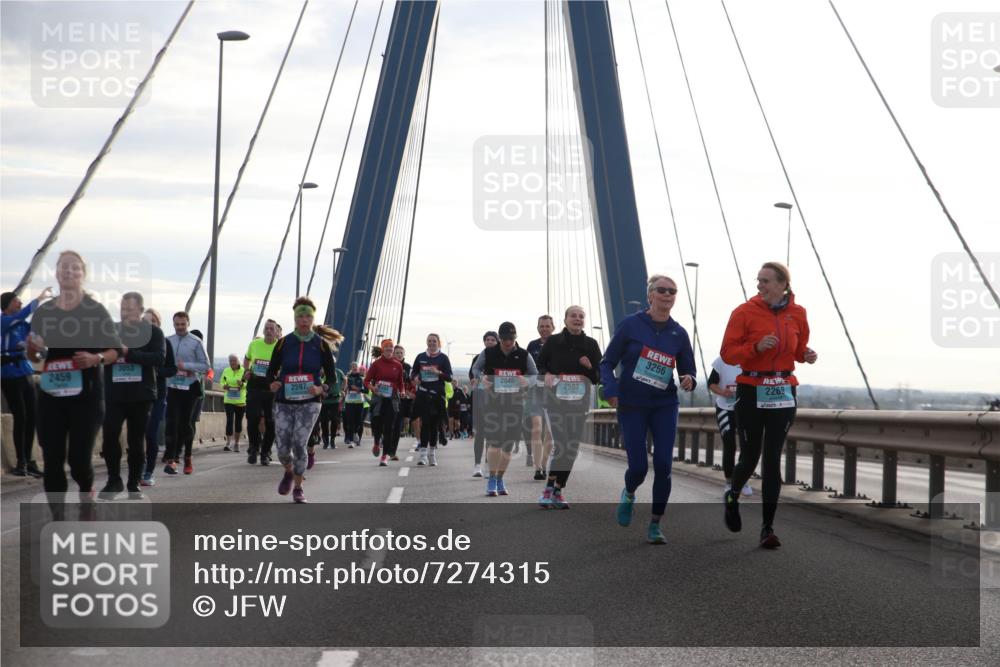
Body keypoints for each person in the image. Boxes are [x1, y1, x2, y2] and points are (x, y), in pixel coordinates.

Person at [721, 262, 817, 548]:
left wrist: (807, 354)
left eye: (765, 281)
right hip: (751, 389)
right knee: (750, 454)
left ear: (782, 284)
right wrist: (755, 348)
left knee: (773, 458)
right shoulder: (744, 312)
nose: (760, 285)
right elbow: (727, 353)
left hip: (783, 390)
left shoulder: (798, 313)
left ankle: (767, 529)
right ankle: (732, 495)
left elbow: (798, 350)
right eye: (758, 280)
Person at [602, 274, 696, 545]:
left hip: (664, 404)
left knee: (664, 465)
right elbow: (607, 362)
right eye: (662, 290)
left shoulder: (679, 333)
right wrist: (610, 389)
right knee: (639, 467)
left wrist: (689, 377)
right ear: (650, 295)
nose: (667, 294)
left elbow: (687, 368)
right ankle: (629, 493)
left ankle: (655, 524)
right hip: (632, 404)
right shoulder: (631, 325)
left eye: (673, 291)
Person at [25, 250, 121, 500]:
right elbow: (35, 357)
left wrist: (95, 358)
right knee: (52, 458)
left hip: (86, 396)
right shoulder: (45, 312)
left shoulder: (95, 310)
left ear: (83, 275)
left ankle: (86, 488)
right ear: (56, 273)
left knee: (78, 460)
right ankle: (58, 518)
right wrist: (32, 351)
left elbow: (114, 351)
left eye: (75, 267)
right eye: (63, 267)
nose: (68, 271)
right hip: (51, 394)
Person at [265, 297, 340, 504]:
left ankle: (298, 488)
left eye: (308, 316)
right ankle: (289, 471)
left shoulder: (321, 345)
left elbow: (332, 379)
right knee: (281, 450)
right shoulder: (283, 343)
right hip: (284, 401)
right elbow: (270, 372)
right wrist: (273, 383)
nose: (304, 320)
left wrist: (320, 388)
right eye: (300, 316)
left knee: (299, 443)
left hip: (310, 402)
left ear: (312, 318)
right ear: (295, 318)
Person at [101, 292, 164, 497]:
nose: (125, 312)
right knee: (110, 435)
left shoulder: (153, 332)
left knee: (136, 441)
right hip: (115, 393)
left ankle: (133, 482)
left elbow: (159, 358)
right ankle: (113, 480)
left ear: (139, 310)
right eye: (122, 308)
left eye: (129, 308)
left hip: (140, 394)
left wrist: (130, 353)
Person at [537, 306, 601, 509]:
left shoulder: (591, 345)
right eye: (573, 315)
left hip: (578, 404)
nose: (577, 319)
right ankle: (548, 489)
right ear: (565, 320)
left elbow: (598, 376)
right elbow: (539, 365)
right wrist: (546, 373)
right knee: (562, 444)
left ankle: (558, 489)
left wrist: (590, 368)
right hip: (555, 403)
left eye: (581, 316)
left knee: (571, 448)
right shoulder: (553, 342)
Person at [472, 322, 538, 497]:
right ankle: (491, 479)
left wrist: (527, 381)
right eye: (505, 339)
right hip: (493, 404)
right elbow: (476, 369)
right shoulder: (488, 353)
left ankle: (500, 478)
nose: (508, 342)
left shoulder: (524, 355)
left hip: (516, 405)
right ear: (500, 338)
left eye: (512, 338)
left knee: (508, 447)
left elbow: (534, 374)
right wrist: (481, 379)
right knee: (495, 443)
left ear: (515, 338)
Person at [1, 286, 52, 476]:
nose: (20, 303)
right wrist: (39, 298)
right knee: (20, 417)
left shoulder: (22, 325)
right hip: (8, 374)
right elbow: (24, 313)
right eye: (16, 301)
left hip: (25, 372)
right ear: (7, 306)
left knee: (32, 416)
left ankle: (30, 461)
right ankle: (21, 462)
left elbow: (37, 334)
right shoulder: (3, 321)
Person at [162, 312, 209, 475]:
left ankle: (187, 456)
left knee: (185, 423)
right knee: (171, 422)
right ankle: (171, 459)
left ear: (188, 323)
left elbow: (205, 365)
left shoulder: (196, 342)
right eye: (177, 325)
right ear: (173, 324)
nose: (180, 328)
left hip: (189, 388)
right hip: (172, 386)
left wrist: (186, 366)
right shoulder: (168, 340)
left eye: (183, 324)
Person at [140, 308, 175, 486]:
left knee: (151, 434)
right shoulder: (134, 343)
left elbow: (172, 369)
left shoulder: (165, 344)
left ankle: (148, 472)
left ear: (158, 324)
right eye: (145, 322)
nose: (149, 325)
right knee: (137, 435)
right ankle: (138, 468)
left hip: (157, 395)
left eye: (152, 322)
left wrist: (153, 370)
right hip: (137, 396)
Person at [708, 356, 751, 497]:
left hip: (745, 409)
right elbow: (711, 383)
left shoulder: (751, 357)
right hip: (724, 407)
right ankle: (729, 482)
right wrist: (723, 392)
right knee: (729, 444)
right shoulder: (722, 360)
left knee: (747, 446)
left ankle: (742, 480)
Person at [411, 333, 453, 467]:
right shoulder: (421, 357)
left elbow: (449, 377)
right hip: (423, 394)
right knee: (425, 424)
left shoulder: (443, 358)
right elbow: (414, 373)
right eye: (429, 341)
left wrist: (438, 373)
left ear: (439, 343)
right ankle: (423, 454)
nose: (431, 343)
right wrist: (415, 378)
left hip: (437, 396)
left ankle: (432, 453)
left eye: (434, 341)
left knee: (434, 425)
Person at [243, 320, 279, 465]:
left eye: (271, 329)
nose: (269, 331)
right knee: (253, 418)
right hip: (254, 385)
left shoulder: (280, 346)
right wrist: (246, 371)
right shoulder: (254, 344)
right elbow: (246, 359)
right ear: (263, 331)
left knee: (271, 422)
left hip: (271, 388)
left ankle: (265, 453)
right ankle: (253, 448)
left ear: (276, 332)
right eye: (266, 328)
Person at [365, 338, 405, 466]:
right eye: (386, 347)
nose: (389, 349)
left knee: (389, 428)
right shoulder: (376, 364)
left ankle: (384, 456)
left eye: (391, 347)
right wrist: (373, 388)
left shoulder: (398, 365)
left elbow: (400, 382)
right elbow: (366, 381)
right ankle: (377, 442)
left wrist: (402, 391)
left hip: (392, 399)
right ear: (382, 349)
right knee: (377, 425)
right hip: (378, 398)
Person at [526, 314, 555, 478]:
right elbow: (527, 368)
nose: (544, 329)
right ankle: (537, 468)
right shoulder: (532, 345)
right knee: (536, 428)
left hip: (553, 393)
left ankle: (544, 463)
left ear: (553, 327)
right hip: (535, 391)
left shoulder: (559, 343)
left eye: (547, 326)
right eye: (541, 326)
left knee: (549, 432)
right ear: (538, 328)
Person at [468, 331, 498, 477]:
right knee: (480, 433)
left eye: (493, 339)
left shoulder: (502, 358)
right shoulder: (478, 358)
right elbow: (472, 375)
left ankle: (488, 464)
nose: (490, 342)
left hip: (496, 399)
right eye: (487, 339)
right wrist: (480, 378)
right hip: (480, 397)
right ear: (484, 342)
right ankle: (477, 465)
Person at [221, 354, 247, 453]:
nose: (232, 362)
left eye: (234, 360)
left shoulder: (243, 371)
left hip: (240, 401)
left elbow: (248, 384)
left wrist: (242, 384)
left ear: (238, 361)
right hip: (229, 400)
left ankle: (236, 443)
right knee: (230, 420)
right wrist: (224, 386)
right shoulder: (226, 370)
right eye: (230, 360)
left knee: (238, 422)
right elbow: (222, 381)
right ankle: (228, 443)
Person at [391, 345, 413, 458]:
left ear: (404, 354)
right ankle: (383, 441)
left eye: (401, 353)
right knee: (389, 424)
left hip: (402, 399)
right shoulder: (389, 365)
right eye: (397, 353)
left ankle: (392, 452)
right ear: (393, 354)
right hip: (389, 398)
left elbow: (412, 381)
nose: (399, 355)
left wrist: (409, 392)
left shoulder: (408, 367)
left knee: (398, 426)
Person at [319, 363, 346, 449]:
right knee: (324, 421)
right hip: (324, 401)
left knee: (335, 420)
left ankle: (333, 440)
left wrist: (342, 390)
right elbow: (316, 382)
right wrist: (322, 392)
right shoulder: (321, 372)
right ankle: (326, 440)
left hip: (335, 400)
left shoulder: (338, 372)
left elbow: (345, 379)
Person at [343, 362, 365, 448]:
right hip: (349, 401)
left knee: (358, 420)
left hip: (359, 402)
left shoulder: (362, 378)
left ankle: (356, 433)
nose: (354, 367)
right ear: (351, 368)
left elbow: (365, 390)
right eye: (353, 366)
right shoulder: (347, 377)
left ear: (358, 368)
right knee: (350, 421)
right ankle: (352, 440)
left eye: (356, 366)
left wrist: (357, 388)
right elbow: (345, 388)